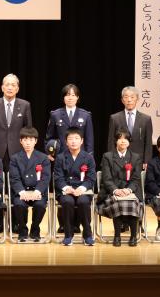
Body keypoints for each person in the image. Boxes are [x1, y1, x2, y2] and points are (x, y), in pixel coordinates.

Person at [0, 73, 32, 234]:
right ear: (2, 87)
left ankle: (19, 223)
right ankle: (0, 223)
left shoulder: (25, 105)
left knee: (19, 187)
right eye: (7, 85)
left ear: (17, 88)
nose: (10, 87)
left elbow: (28, 131)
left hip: (18, 153)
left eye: (13, 85)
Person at [45, 83, 94, 233]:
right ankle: (63, 224)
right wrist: (49, 152)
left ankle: (77, 224)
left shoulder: (85, 115)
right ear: (63, 98)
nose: (70, 97)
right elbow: (49, 137)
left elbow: (89, 139)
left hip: (81, 160)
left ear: (77, 97)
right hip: (61, 159)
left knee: (80, 191)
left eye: (73, 95)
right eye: (67, 95)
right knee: (64, 191)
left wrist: (89, 157)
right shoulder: (56, 114)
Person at [96, 130, 143, 247]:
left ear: (129, 142)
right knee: (118, 203)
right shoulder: (107, 156)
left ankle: (133, 236)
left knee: (132, 203)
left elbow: (136, 178)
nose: (123, 141)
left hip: (130, 192)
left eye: (126, 139)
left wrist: (128, 190)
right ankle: (117, 236)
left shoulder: (136, 157)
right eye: (120, 138)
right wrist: (116, 190)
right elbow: (106, 178)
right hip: (111, 192)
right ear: (116, 141)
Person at [54, 128, 96, 246]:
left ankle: (87, 234)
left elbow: (91, 178)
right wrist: (66, 188)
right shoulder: (61, 157)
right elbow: (58, 178)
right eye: (70, 139)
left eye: (76, 138)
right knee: (67, 201)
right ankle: (68, 235)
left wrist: (81, 189)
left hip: (83, 190)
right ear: (66, 142)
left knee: (83, 201)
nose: (73, 141)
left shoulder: (88, 157)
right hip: (66, 190)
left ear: (82, 141)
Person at [9, 127, 51, 242]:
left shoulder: (43, 158)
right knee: (19, 204)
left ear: (36, 141)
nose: (28, 143)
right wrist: (22, 192)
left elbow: (45, 178)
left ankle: (35, 229)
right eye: (25, 139)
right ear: (20, 141)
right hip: (21, 192)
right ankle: (22, 230)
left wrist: (37, 191)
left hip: (37, 191)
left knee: (40, 205)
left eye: (31, 140)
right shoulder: (15, 158)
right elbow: (14, 178)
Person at [107, 86, 154, 169]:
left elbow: (148, 143)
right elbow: (111, 141)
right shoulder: (114, 118)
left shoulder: (146, 119)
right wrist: (111, 160)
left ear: (137, 99)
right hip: (119, 160)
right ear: (122, 100)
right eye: (126, 97)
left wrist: (147, 161)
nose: (129, 100)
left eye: (132, 97)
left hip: (139, 160)